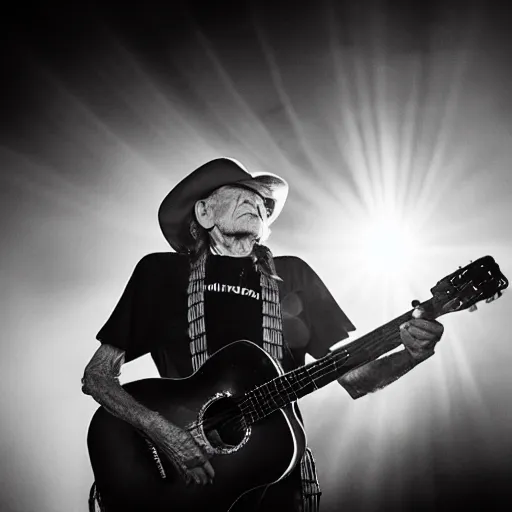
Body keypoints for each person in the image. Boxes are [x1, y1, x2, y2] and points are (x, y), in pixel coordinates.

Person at [82, 157, 444, 512]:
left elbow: (354, 379)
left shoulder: (295, 275)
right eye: (239, 192)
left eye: (261, 201)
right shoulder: (161, 273)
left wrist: (411, 353)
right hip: (184, 481)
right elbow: (98, 377)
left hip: (276, 480)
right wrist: (166, 434)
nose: (255, 202)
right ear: (205, 212)